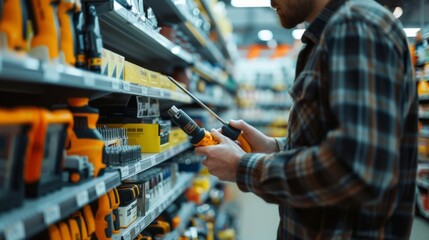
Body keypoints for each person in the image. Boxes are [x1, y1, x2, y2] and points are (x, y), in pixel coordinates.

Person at [195, 0, 418, 239]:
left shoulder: (356, 26)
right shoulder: (329, 35)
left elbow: (354, 169)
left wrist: (241, 167)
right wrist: (274, 148)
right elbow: (331, 142)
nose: (270, 1)